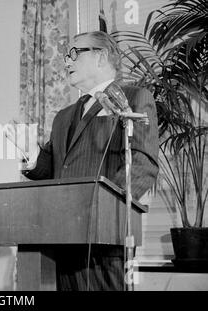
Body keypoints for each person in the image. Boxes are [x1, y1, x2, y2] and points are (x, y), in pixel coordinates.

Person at [21, 31, 159, 290]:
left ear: (101, 56)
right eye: (65, 56)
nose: (66, 62)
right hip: (62, 238)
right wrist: (31, 155)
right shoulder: (63, 116)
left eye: (74, 53)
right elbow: (54, 169)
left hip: (105, 241)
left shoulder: (133, 98)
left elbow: (142, 163)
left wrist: (101, 210)